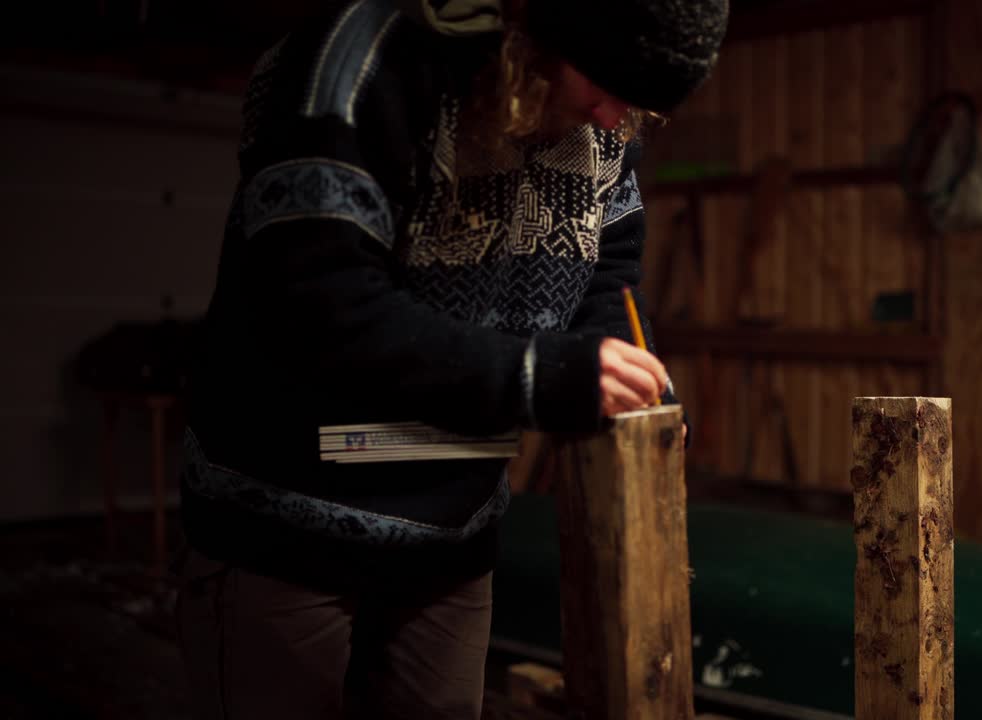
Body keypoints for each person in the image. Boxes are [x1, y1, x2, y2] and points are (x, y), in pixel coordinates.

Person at [172, 0, 728, 718]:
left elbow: (607, 275)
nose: (614, 120)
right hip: (287, 533)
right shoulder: (361, 62)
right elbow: (322, 306)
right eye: (608, 87)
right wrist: (542, 377)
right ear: (535, 37)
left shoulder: (606, 112)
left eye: (639, 105)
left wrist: (628, 372)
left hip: (453, 543)